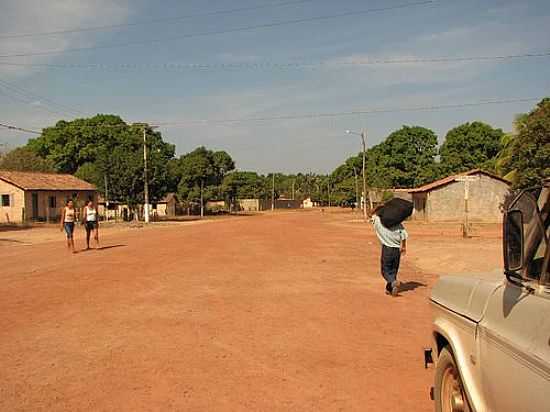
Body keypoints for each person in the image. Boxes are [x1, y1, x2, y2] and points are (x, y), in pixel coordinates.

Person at [372, 208, 408, 297]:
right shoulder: (398, 224)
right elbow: (404, 236)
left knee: (385, 270)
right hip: (397, 250)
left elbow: (372, 213)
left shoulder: (379, 222)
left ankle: (392, 282)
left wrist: (379, 207)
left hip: (387, 249)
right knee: (393, 270)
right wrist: (403, 247)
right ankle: (390, 289)